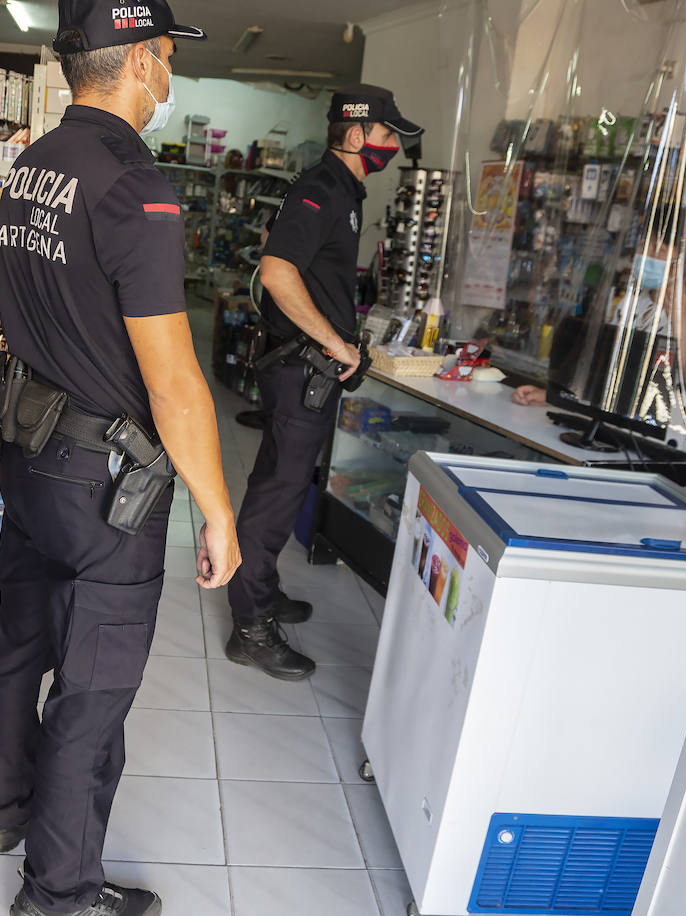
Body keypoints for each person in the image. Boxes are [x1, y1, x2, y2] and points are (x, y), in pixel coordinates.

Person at [0, 3, 238, 915]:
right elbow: (174, 383)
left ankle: (4, 808)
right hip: (106, 487)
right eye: (166, 60)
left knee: (21, 641)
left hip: (29, 452)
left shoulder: (33, 164)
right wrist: (219, 510)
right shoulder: (136, 185)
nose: (168, 77)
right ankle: (58, 895)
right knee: (92, 695)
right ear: (143, 63)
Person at [226, 86, 423, 680]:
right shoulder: (322, 189)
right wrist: (336, 344)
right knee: (276, 494)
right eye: (389, 135)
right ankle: (251, 628)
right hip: (302, 368)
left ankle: (262, 588)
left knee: (277, 483)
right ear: (359, 135)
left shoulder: (342, 191)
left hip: (306, 369)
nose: (394, 146)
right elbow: (278, 269)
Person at [513, 207, 686, 425]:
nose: (646, 254)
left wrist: (680, 320)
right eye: (644, 243)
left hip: (659, 444)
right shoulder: (636, 300)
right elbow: (604, 372)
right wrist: (555, 397)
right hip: (611, 429)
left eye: (660, 248)